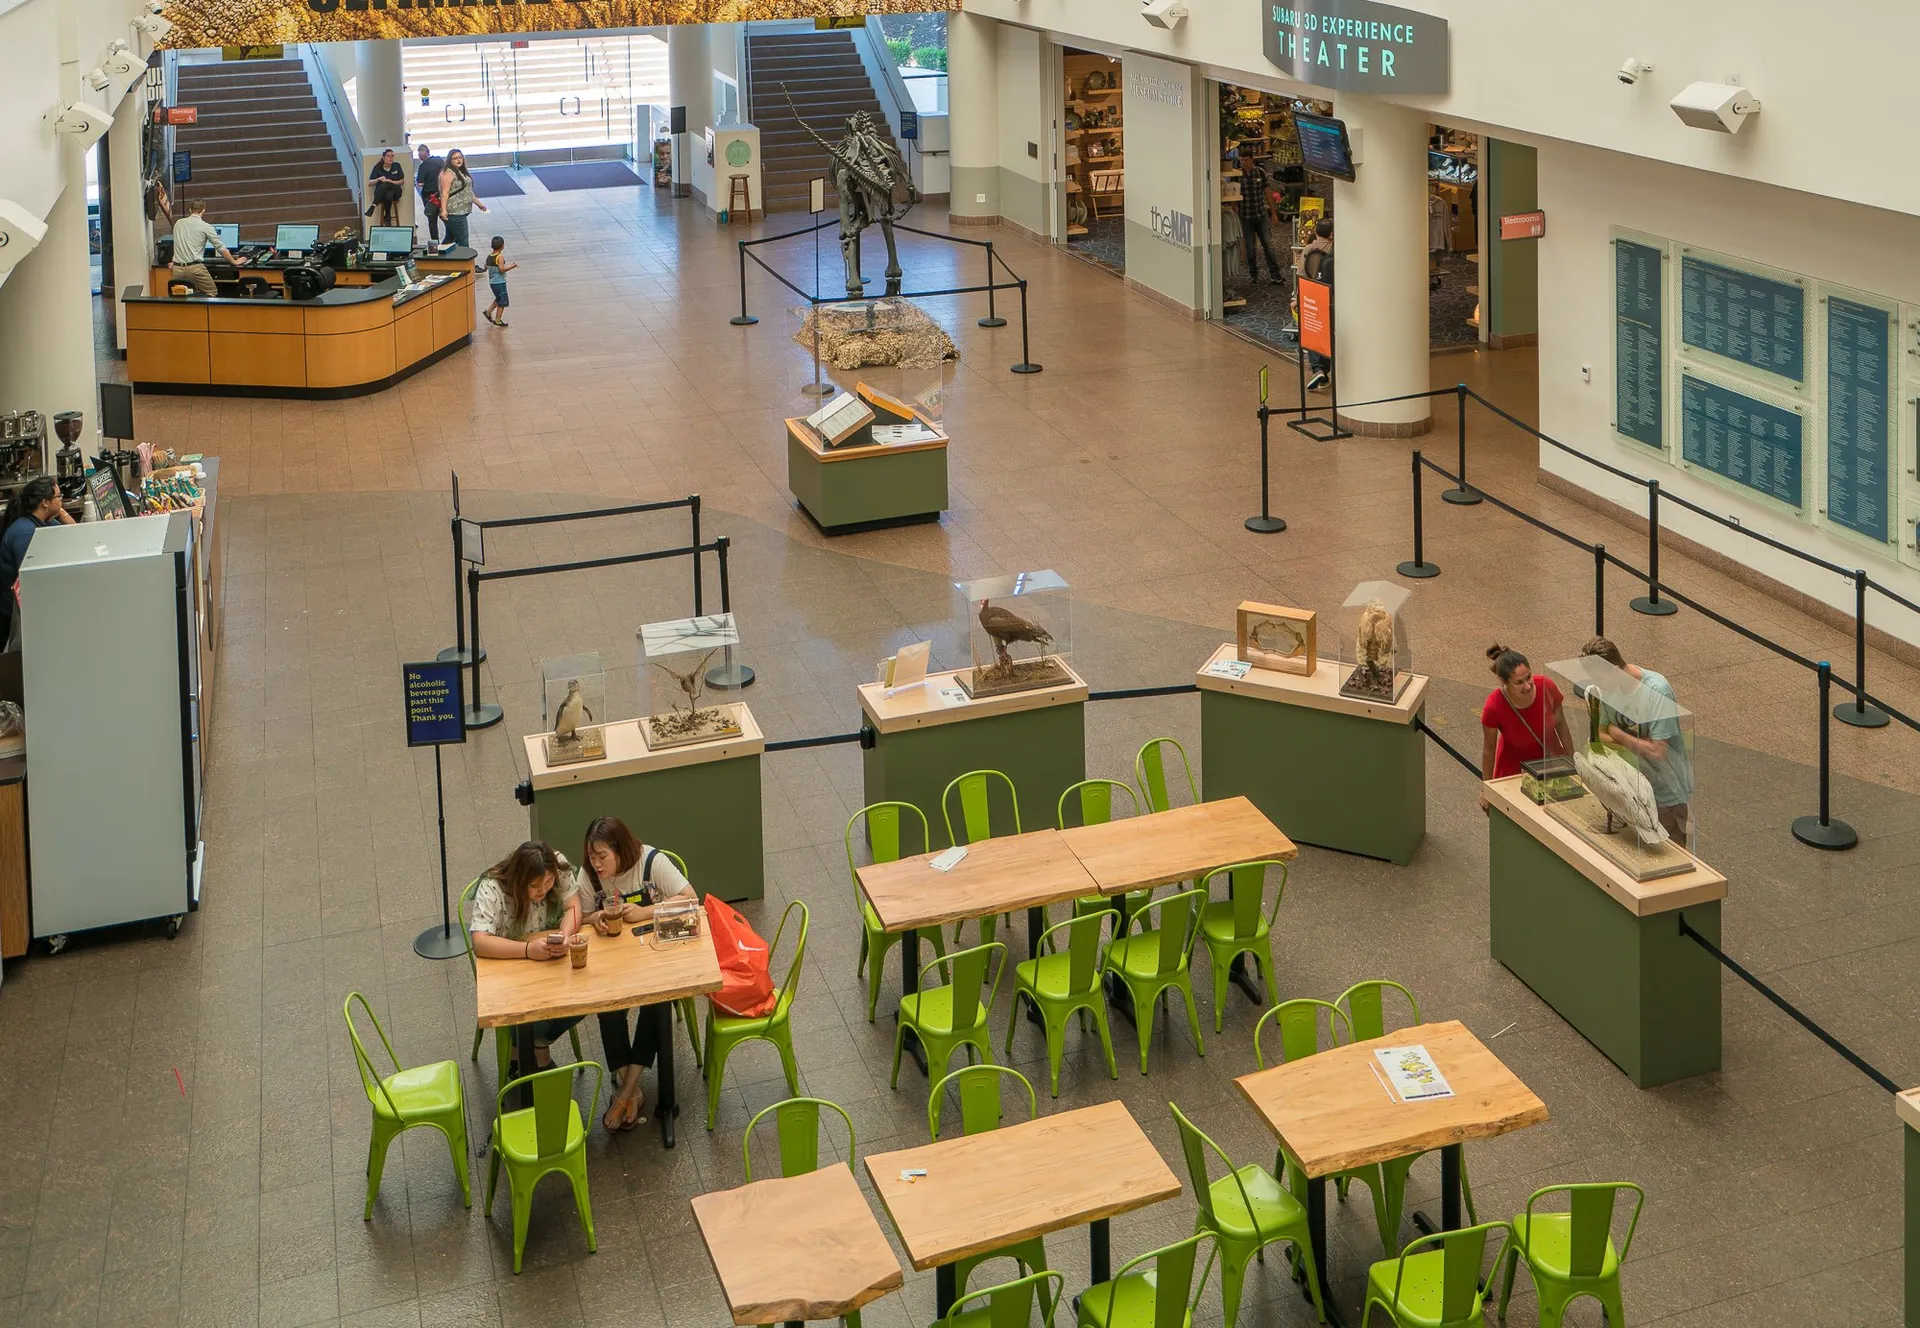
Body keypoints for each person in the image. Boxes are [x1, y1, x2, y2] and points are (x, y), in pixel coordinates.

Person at [572, 817, 697, 1128]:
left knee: (655, 1004)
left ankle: (626, 1091)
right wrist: (594, 918)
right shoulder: (589, 875)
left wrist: (645, 912)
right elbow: (579, 915)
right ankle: (632, 1088)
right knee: (607, 1008)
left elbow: (691, 898)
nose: (596, 864)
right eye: (591, 856)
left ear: (621, 850)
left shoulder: (650, 861)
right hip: (614, 964)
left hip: (656, 959)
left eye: (602, 856)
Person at [467, 841, 582, 1076]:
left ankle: (530, 1047)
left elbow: (573, 907)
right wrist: (528, 950)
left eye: (549, 882)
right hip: (509, 966)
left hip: (548, 962)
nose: (543, 890)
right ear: (519, 880)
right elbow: (480, 942)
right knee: (529, 1005)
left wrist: (565, 934)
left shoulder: (557, 865)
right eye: (534, 885)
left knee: (585, 993)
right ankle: (532, 1052)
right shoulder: (492, 889)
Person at [1580, 636, 1695, 844]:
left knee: (1669, 851)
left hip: (1665, 793)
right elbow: (1601, 736)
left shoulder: (1657, 691)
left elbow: (1657, 752)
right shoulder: (1605, 690)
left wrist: (1617, 733)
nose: (1597, 685)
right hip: (1631, 789)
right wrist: (1638, 743)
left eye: (1600, 679)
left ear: (1615, 670)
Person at [1479, 644, 1573, 810]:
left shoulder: (1547, 686)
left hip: (1551, 767)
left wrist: (1572, 761)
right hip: (1515, 775)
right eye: (1519, 682)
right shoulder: (1494, 706)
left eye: (1528, 677)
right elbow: (1489, 749)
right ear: (1505, 682)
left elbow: (1561, 724)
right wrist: (1486, 789)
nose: (1528, 685)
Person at [0, 476, 74, 648]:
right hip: (14, 620)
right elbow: (32, 580)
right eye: (59, 497)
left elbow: (74, 534)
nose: (62, 500)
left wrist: (60, 511)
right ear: (45, 502)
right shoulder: (24, 533)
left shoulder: (44, 521)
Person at [168, 199, 237, 297]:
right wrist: (234, 261)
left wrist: (175, 262)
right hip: (195, 268)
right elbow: (221, 248)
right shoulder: (205, 227)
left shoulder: (178, 223)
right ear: (203, 210)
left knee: (181, 295)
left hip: (177, 269)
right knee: (212, 292)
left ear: (190, 210)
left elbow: (179, 244)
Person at [1298, 217, 1334, 391]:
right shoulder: (1334, 249)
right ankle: (1324, 372)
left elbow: (1301, 274)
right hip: (1330, 296)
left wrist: (1297, 298)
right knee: (1327, 333)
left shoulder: (1307, 249)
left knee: (1312, 332)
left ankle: (1317, 370)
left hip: (1311, 295)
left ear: (1316, 232)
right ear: (1331, 234)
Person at [1239, 157, 1286, 285]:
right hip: (1245, 216)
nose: (1243, 163)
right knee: (1250, 247)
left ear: (1251, 160)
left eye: (1246, 160)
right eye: (1241, 160)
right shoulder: (1237, 175)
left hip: (1261, 215)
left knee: (1268, 245)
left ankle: (1275, 275)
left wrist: (1273, 212)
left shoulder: (1260, 173)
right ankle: (1253, 275)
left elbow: (1267, 192)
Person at [438, 148, 486, 249]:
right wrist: (443, 210)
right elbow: (445, 193)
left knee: (450, 238)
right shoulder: (448, 173)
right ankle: (464, 259)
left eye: (460, 157)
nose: (459, 160)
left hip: (461, 211)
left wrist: (479, 204)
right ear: (450, 160)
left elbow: (468, 191)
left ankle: (437, 254)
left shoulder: (461, 171)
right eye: (455, 158)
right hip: (454, 212)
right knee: (463, 241)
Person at [365, 148, 406, 227]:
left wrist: (391, 181)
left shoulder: (397, 165)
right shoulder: (377, 167)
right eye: (388, 156)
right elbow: (370, 183)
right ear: (383, 158)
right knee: (388, 194)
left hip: (396, 191)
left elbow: (402, 181)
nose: (390, 158)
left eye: (392, 156)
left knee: (386, 184)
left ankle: (373, 205)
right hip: (382, 195)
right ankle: (387, 215)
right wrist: (378, 179)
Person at [482, 235, 515, 328]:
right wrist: (512, 266)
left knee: (498, 298)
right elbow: (501, 269)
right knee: (503, 301)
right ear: (502, 246)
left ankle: (488, 312)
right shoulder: (500, 257)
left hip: (492, 282)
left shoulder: (489, 256)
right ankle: (498, 320)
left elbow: (485, 267)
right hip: (499, 282)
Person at [414, 144, 445, 244]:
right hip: (442, 194)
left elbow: (420, 183)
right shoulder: (439, 160)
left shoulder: (422, 166)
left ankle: (436, 244)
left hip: (429, 198)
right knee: (446, 218)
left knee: (432, 222)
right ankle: (449, 241)